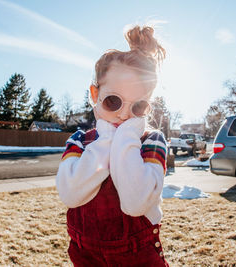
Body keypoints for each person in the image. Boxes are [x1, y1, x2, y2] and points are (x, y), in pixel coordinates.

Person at [56, 24, 169, 267]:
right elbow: (71, 194)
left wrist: (125, 136)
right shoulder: (79, 140)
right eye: (113, 101)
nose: (125, 115)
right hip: (86, 256)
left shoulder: (151, 140)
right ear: (95, 95)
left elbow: (135, 202)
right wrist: (107, 138)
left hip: (139, 257)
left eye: (138, 107)